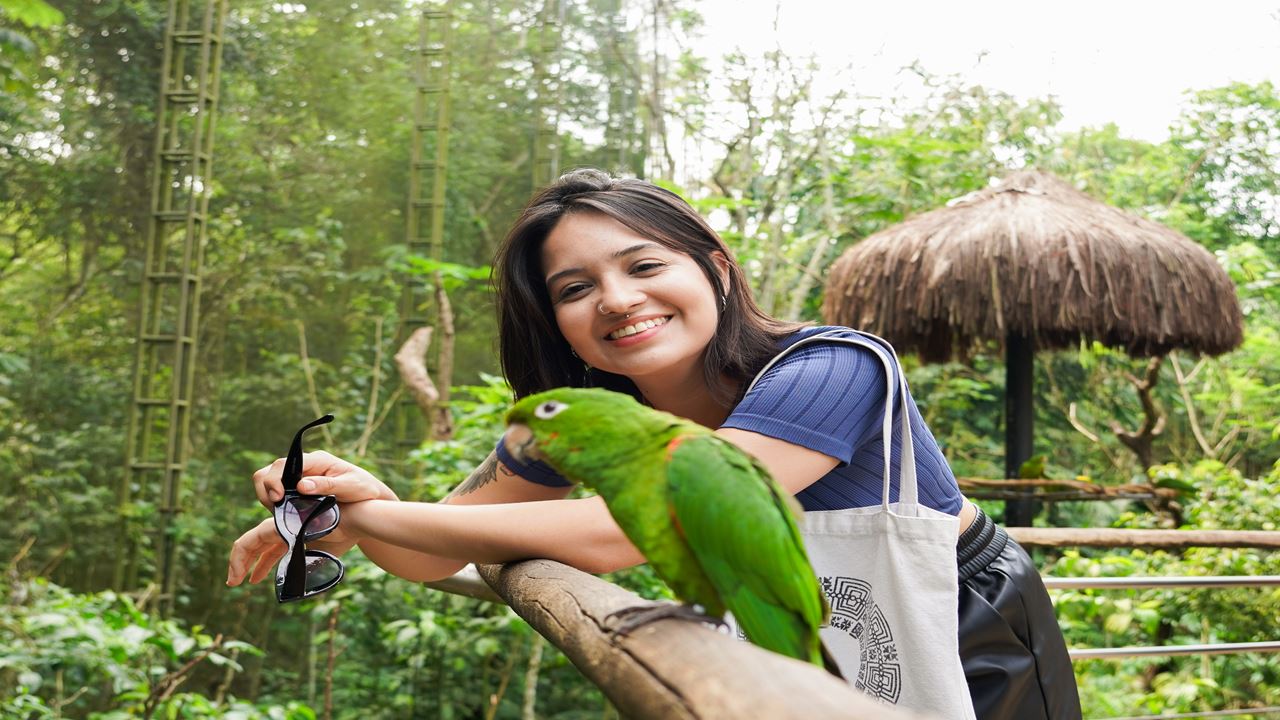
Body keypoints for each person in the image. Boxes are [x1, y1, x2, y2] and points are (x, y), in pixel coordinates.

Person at [226, 169, 1081, 719]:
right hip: (771, 627)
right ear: (554, 322)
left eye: (643, 266)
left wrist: (395, 513)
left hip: (964, 619)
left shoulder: (830, 367)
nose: (616, 299)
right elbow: (431, 549)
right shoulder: (580, 424)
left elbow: (626, 532)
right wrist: (346, 516)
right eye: (574, 288)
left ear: (713, 265)